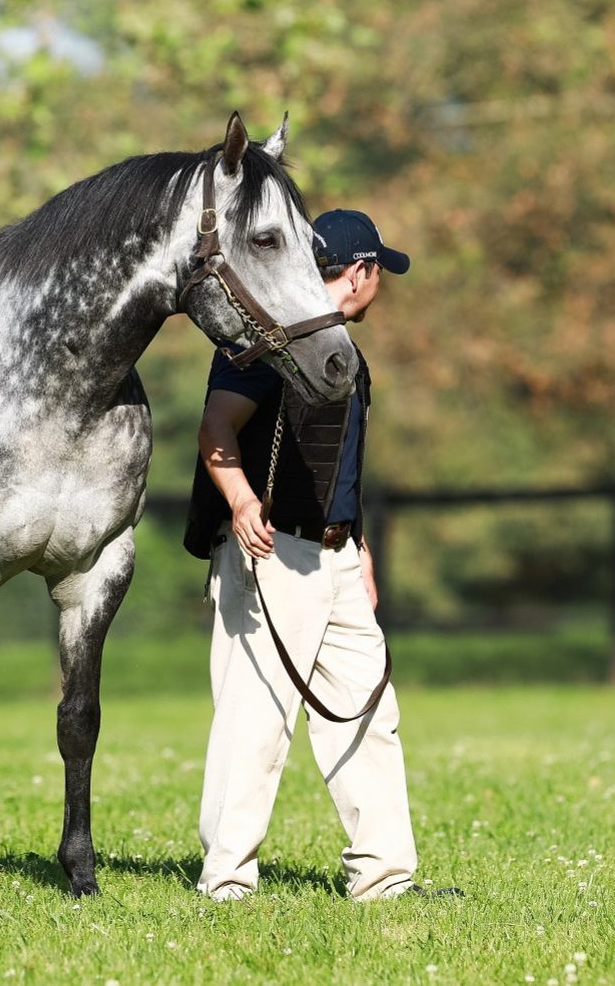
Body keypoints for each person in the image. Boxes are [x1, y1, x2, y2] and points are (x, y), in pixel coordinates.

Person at [184, 208, 442, 903]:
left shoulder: (339, 350)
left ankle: (384, 877)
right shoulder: (269, 333)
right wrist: (240, 503)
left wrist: (354, 546)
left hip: (332, 555)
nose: (377, 283)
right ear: (359, 271)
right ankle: (227, 878)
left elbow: (340, 463)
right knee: (256, 721)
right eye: (377, 270)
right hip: (273, 553)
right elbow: (217, 426)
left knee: (368, 709)